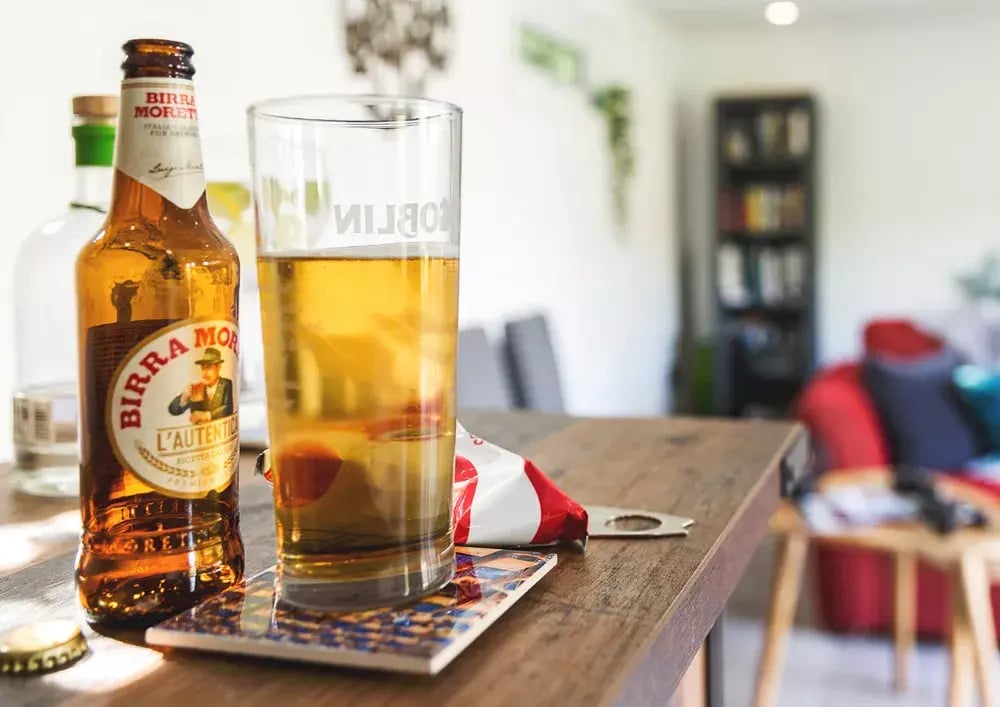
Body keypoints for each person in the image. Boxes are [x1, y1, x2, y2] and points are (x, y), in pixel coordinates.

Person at [168, 347, 234, 423]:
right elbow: (173, 410)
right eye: (203, 368)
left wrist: (206, 415)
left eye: (209, 368)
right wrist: (184, 398)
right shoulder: (198, 388)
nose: (204, 373)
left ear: (218, 367)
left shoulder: (226, 384)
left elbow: (228, 408)